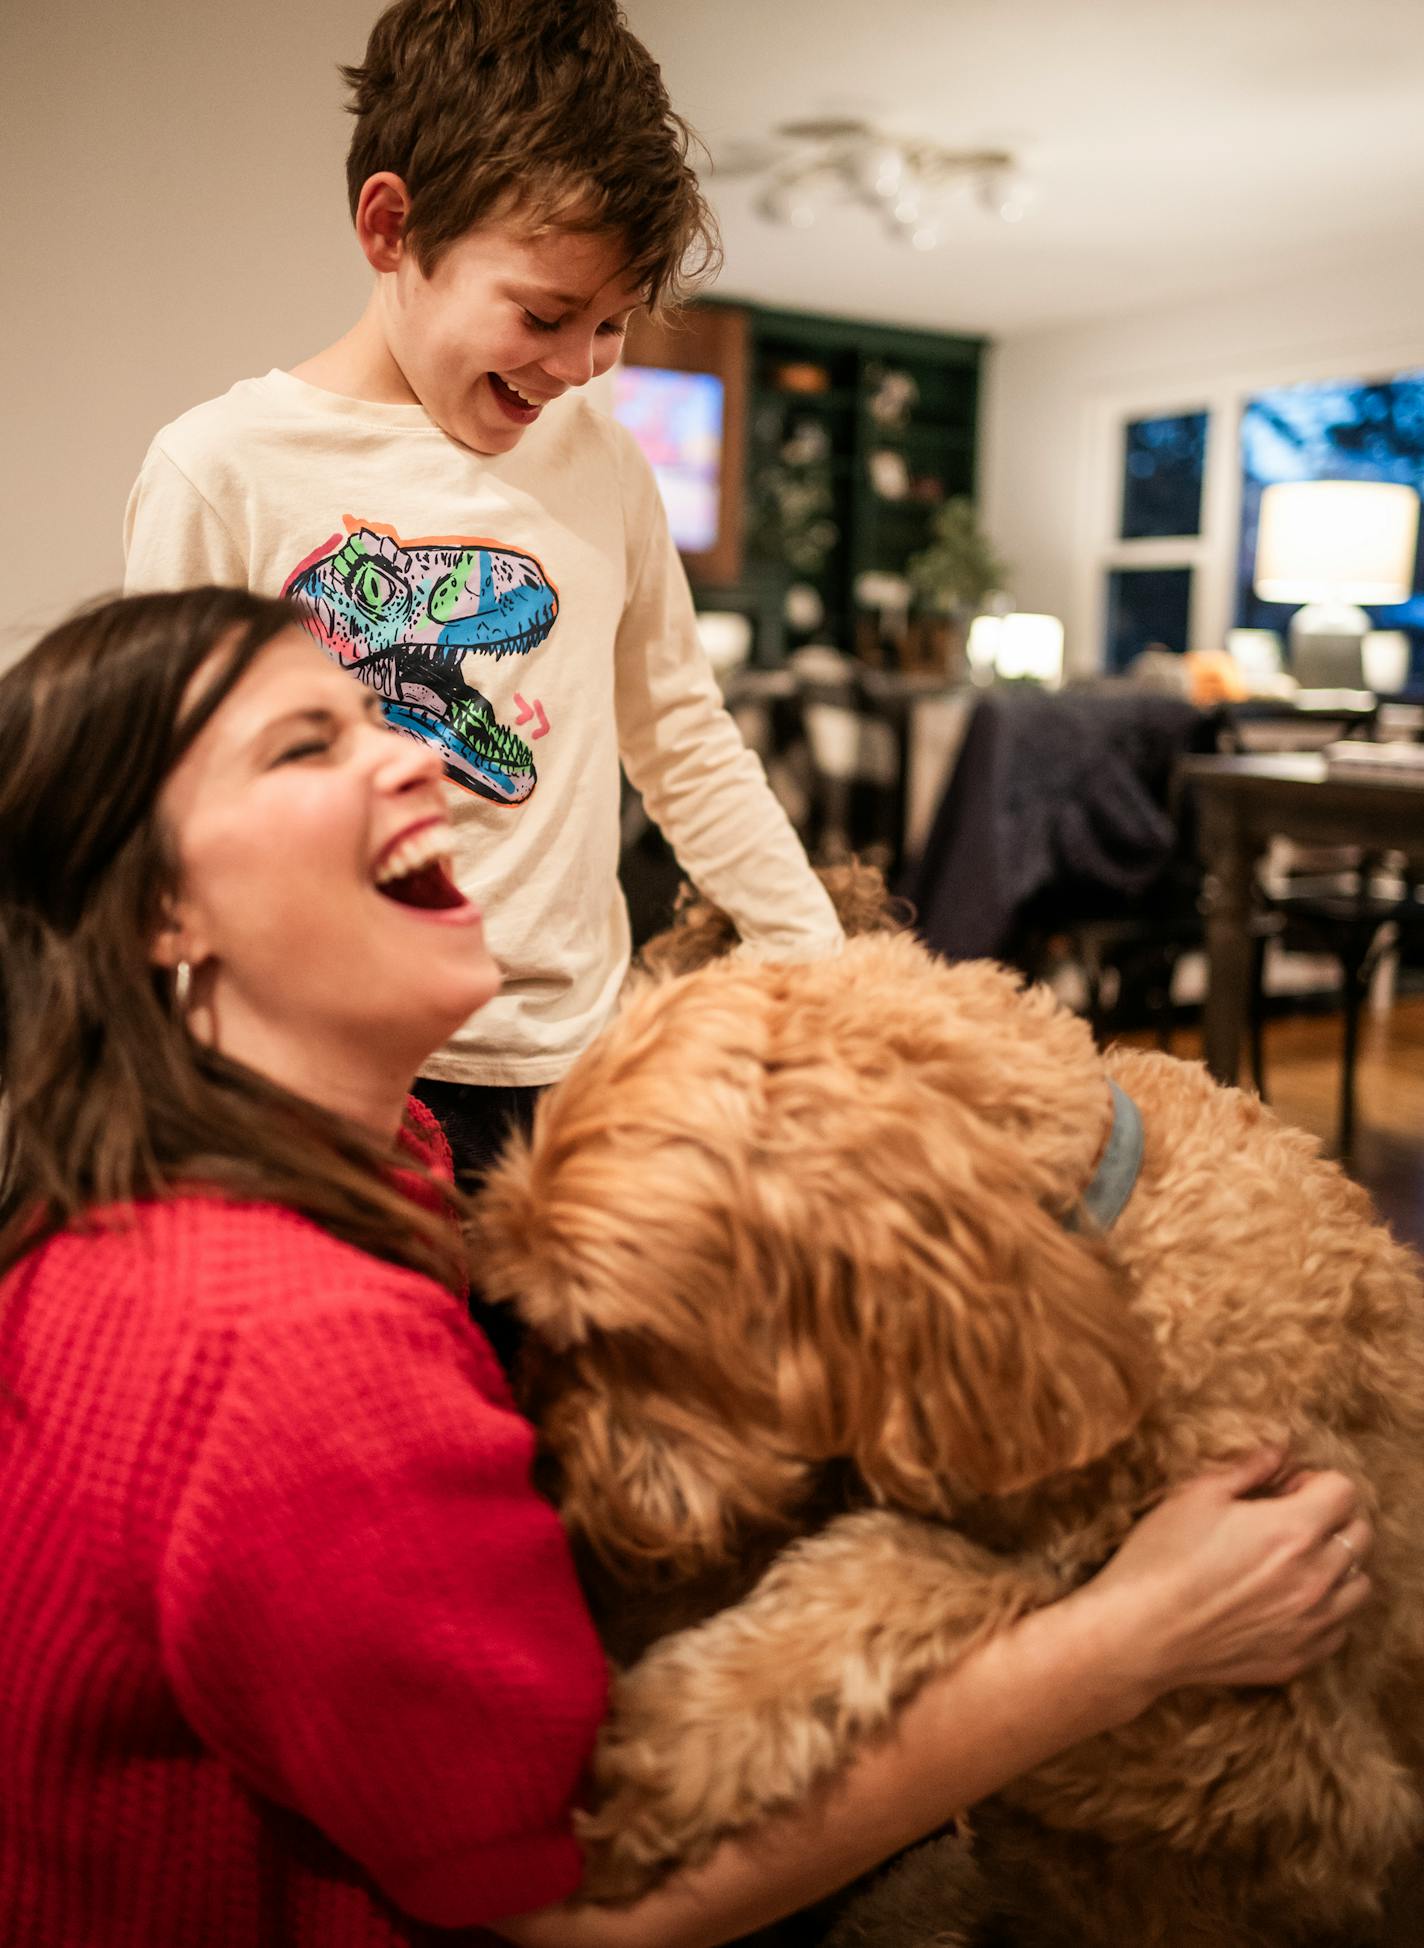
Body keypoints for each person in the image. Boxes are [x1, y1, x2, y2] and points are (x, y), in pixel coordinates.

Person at [0, 589, 1375, 1948]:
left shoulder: (371, 1154)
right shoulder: (276, 1336)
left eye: (374, 712)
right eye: (306, 745)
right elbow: (571, 1914)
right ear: (158, 916)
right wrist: (1131, 1636)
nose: (417, 749)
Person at [122, 0, 844, 1207]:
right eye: (545, 315)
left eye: (611, 326)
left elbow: (682, 737)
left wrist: (827, 970)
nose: (576, 366)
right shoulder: (222, 467)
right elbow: (165, 814)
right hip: (335, 1085)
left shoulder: (602, 461)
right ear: (391, 227)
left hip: (583, 1066)